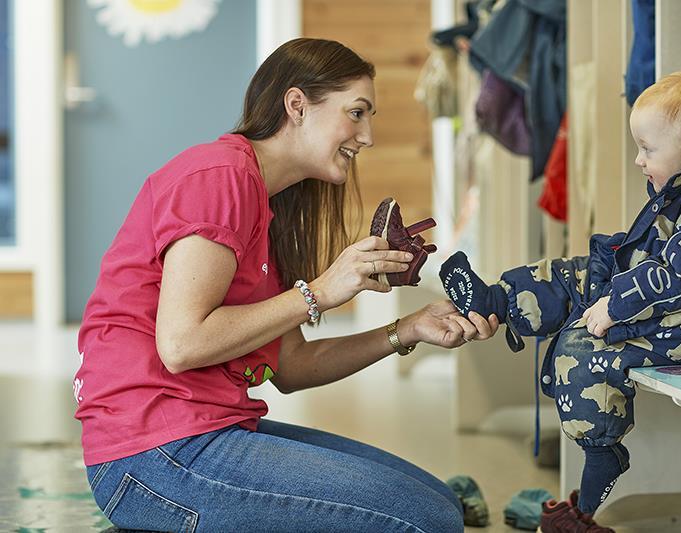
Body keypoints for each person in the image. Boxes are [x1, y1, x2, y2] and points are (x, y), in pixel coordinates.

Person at [74, 38, 497, 533]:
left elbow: (292, 366)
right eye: (356, 113)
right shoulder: (218, 177)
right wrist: (319, 290)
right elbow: (182, 345)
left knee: (439, 500)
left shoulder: (266, 203)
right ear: (297, 106)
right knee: (426, 520)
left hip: (208, 431)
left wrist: (408, 329)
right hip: (151, 456)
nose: (369, 136)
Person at [439, 70, 681, 532]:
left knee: (586, 352)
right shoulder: (680, 197)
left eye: (647, 149)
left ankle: (596, 475)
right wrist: (606, 277)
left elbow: (673, 278)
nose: (639, 161)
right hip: (656, 307)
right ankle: (495, 301)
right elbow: (649, 262)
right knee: (572, 274)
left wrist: (612, 306)